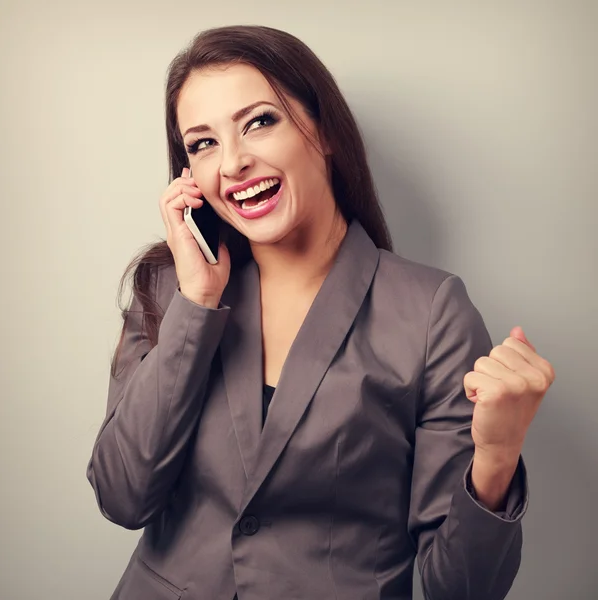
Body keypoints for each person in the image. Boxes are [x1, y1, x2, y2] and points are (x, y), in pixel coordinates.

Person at [87, 25, 555, 600]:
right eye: (202, 143)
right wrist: (197, 303)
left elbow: (456, 590)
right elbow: (121, 496)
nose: (232, 163)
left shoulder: (432, 313)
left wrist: (497, 456)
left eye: (259, 121)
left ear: (325, 130)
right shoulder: (169, 288)